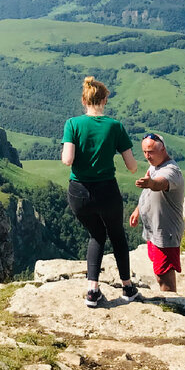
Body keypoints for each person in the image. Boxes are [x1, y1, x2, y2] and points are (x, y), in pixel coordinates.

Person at [61, 76, 140, 307]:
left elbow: (67, 160)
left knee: (96, 234)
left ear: (84, 100)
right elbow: (132, 166)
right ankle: (127, 287)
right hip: (107, 191)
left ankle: (92, 291)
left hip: (78, 192)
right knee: (117, 235)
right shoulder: (115, 126)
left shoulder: (72, 124)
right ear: (105, 100)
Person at [129, 132, 185, 293]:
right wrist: (138, 210)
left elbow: (160, 184)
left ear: (163, 150)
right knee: (158, 269)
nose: (147, 156)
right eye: (145, 152)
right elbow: (149, 192)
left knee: (164, 274)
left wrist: (151, 183)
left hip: (165, 232)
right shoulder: (154, 166)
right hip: (153, 229)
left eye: (151, 152)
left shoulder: (171, 171)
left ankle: (174, 305)